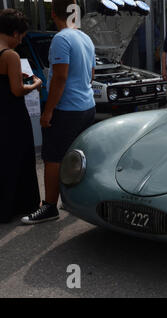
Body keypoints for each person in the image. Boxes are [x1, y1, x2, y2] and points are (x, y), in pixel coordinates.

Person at [21, 0, 96, 224]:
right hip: (87, 105)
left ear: (53, 13)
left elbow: (60, 77)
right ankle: (76, 200)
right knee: (80, 155)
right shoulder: (85, 38)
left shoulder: (61, 39)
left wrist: (48, 111)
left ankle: (50, 206)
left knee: (53, 157)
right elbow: (91, 75)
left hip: (67, 108)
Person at [0, 9, 42, 223]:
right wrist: (35, 83)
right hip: (12, 115)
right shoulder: (10, 55)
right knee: (19, 157)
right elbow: (17, 90)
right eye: (22, 36)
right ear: (15, 33)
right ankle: (22, 204)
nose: (21, 41)